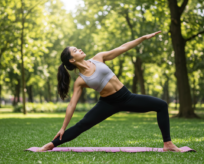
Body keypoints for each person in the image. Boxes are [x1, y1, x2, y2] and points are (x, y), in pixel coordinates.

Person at [37, 31, 184, 152]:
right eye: (75, 50)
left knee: (162, 105)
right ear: (72, 60)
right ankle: (51, 144)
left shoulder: (98, 58)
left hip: (127, 97)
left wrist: (142, 38)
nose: (79, 49)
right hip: (108, 103)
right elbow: (71, 105)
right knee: (82, 125)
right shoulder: (80, 81)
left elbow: (123, 47)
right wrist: (63, 127)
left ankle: (168, 144)